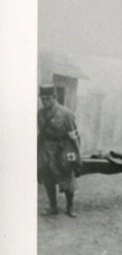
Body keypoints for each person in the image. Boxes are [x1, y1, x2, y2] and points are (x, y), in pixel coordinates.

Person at [37, 85, 79, 216]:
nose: (45, 102)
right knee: (48, 179)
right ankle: (53, 207)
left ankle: (70, 207)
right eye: (42, 99)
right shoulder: (40, 113)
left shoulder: (66, 114)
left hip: (61, 152)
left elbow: (74, 136)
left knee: (67, 179)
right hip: (45, 151)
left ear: (55, 97)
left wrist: (76, 157)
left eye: (48, 98)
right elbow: (41, 134)